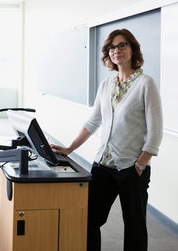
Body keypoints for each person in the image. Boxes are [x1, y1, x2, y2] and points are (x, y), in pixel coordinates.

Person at [51, 28, 163, 251]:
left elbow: (156, 131)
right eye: (112, 47)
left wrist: (140, 164)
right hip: (104, 164)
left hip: (131, 167)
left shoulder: (145, 84)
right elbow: (93, 122)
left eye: (122, 45)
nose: (116, 50)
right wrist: (69, 148)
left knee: (134, 226)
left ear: (132, 49)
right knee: (89, 219)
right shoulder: (106, 85)